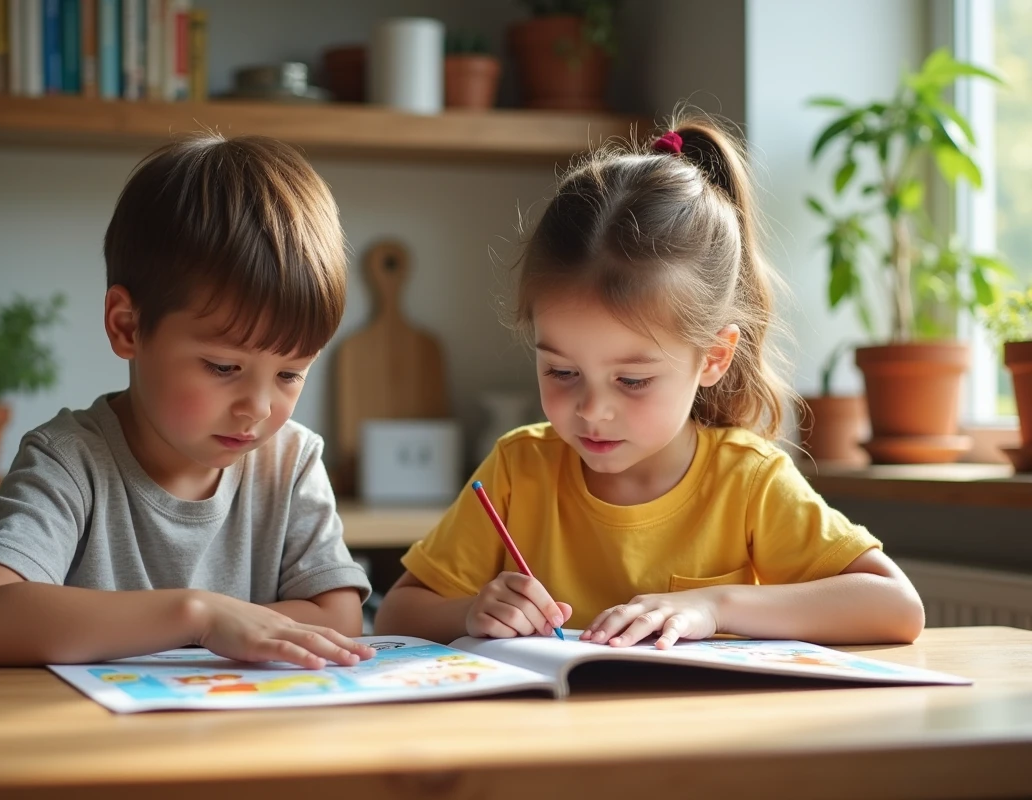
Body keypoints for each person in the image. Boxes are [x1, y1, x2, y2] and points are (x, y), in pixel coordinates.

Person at [375, 119, 924, 649]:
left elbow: (897, 607)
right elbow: (397, 612)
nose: (592, 410)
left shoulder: (747, 482)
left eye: (632, 380)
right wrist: (471, 612)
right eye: (561, 372)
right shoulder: (520, 470)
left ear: (713, 358)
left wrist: (716, 606)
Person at [0, 134, 375, 669]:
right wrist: (199, 617)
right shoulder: (69, 459)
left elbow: (339, 617)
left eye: (290, 373)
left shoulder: (291, 460)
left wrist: (210, 623)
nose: (259, 409)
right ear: (128, 326)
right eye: (223, 367)